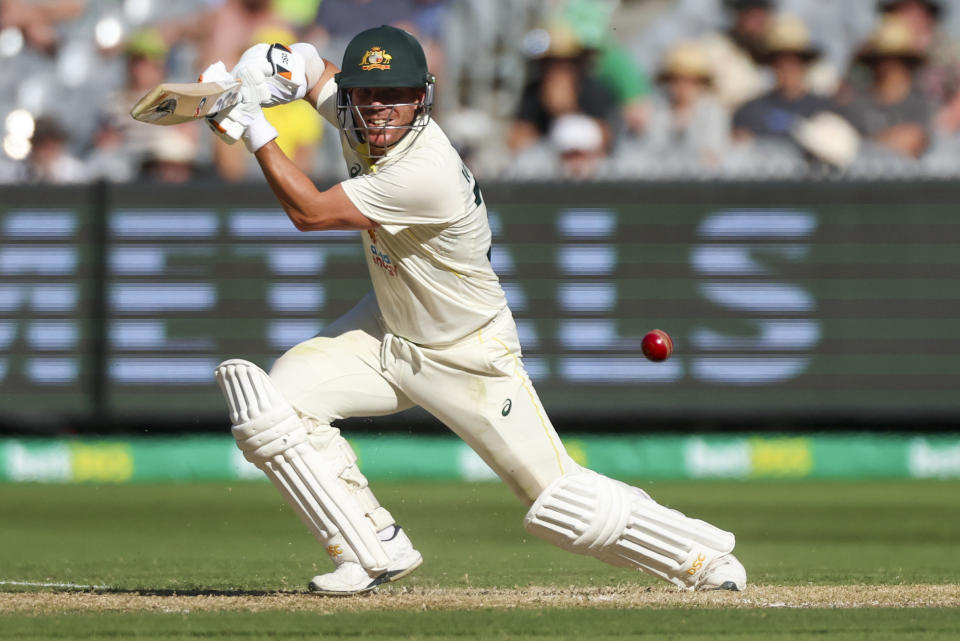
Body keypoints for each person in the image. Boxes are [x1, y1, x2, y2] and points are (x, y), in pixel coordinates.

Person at [207, 25, 746, 595]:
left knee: (560, 502)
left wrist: (253, 125)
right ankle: (369, 548)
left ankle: (700, 560)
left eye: (395, 95)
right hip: (387, 331)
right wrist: (271, 67)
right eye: (366, 95)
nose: (379, 109)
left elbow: (311, 214)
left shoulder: (424, 170)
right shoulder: (358, 114)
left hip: (469, 354)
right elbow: (316, 71)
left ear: (422, 98)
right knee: (274, 405)